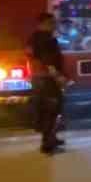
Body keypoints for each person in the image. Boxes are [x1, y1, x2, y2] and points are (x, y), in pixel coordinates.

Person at [27, 11, 68, 154]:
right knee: (52, 109)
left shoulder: (33, 38)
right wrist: (59, 77)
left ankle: (51, 137)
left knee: (46, 109)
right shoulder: (47, 40)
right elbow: (48, 62)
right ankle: (47, 144)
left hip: (38, 79)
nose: (55, 25)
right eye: (52, 23)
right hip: (47, 79)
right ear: (45, 23)